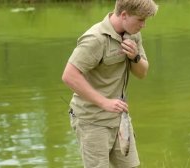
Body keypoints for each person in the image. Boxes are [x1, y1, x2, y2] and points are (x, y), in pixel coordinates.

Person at [61, 0, 158, 167]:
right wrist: (104, 102)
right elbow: (69, 75)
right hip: (92, 120)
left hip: (120, 118)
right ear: (124, 15)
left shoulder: (133, 33)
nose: (144, 25)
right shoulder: (95, 39)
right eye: (140, 20)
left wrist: (135, 57)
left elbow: (142, 73)